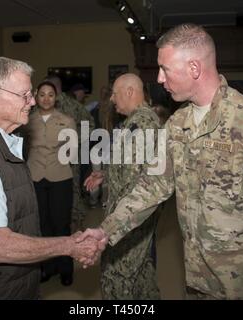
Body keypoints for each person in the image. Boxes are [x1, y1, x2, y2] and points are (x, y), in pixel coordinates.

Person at [79, 24, 243, 300]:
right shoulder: (178, 124)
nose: (160, 78)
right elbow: (151, 187)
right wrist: (104, 231)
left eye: (165, 69)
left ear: (194, 68)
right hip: (196, 281)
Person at [0, 57, 104, 299]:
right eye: (25, 94)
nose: (33, 101)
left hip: (9, 283)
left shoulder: (1, 139)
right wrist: (70, 246)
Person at [84, 73, 161, 299]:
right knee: (141, 275)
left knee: (116, 276)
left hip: (129, 220)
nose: (112, 100)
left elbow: (142, 182)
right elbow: (131, 166)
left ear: (129, 92)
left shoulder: (143, 125)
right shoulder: (134, 123)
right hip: (132, 218)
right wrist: (105, 175)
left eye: (115, 94)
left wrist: (111, 225)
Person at [23, 81, 77, 286]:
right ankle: (47, 267)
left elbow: (72, 153)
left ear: (56, 98)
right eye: (42, 95)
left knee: (61, 224)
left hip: (60, 178)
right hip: (35, 177)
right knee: (42, 225)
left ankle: (65, 268)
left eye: (50, 95)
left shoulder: (67, 121)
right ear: (36, 97)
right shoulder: (27, 120)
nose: (46, 98)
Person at [44, 75, 94, 232]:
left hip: (69, 159)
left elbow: (90, 124)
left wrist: (74, 140)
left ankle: (76, 230)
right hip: (49, 159)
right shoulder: (44, 106)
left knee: (72, 194)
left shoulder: (72, 105)